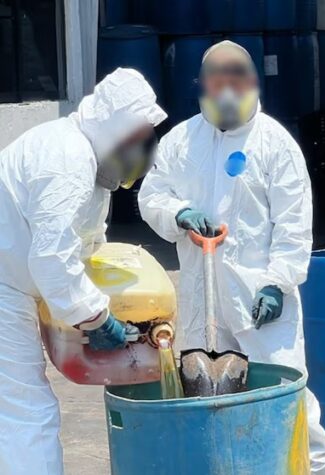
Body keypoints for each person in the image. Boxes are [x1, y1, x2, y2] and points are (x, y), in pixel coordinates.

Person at [138, 41, 325, 473]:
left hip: (259, 302)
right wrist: (179, 213)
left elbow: (293, 223)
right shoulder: (181, 141)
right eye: (216, 85)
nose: (227, 96)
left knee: (287, 398)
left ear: (253, 83)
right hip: (202, 300)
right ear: (201, 87)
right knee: (207, 400)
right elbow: (151, 195)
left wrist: (278, 283)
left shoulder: (275, 145)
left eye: (236, 83)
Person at [0, 68, 166, 474]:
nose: (139, 152)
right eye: (135, 138)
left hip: (15, 279)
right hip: (6, 283)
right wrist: (96, 317)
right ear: (115, 128)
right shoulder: (68, 160)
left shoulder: (87, 162)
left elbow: (86, 244)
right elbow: (52, 258)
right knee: (26, 409)